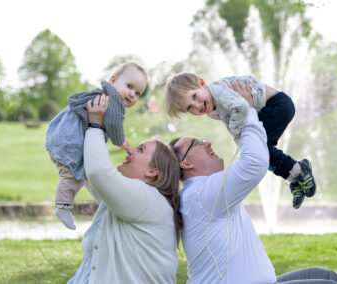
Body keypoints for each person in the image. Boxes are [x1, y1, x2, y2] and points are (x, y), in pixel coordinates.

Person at [169, 81, 337, 283]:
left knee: (325, 275)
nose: (207, 142)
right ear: (185, 163)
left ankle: (294, 173)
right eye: (197, 143)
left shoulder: (204, 191)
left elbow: (255, 154)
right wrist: (248, 110)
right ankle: (296, 172)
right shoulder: (200, 195)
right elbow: (255, 161)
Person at [68, 94, 183, 283]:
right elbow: (87, 171)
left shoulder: (148, 199)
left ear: (153, 171)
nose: (130, 150)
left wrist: (96, 124)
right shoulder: (129, 199)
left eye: (140, 150)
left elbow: (98, 173)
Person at [165, 72, 316, 209]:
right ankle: (294, 177)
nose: (197, 106)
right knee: (259, 152)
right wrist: (241, 141)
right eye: (189, 107)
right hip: (265, 110)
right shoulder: (211, 110)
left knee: (259, 150)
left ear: (202, 83)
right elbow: (231, 122)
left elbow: (242, 107)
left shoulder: (218, 91)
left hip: (277, 105)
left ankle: (300, 171)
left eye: (194, 96)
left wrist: (239, 134)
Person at [45, 62, 147, 230]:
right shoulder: (113, 99)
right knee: (71, 175)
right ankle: (63, 205)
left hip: (63, 136)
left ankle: (105, 203)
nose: (132, 94)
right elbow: (114, 123)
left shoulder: (104, 95)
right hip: (70, 140)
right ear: (113, 80)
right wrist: (120, 140)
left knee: (85, 174)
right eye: (129, 86)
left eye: (138, 93)